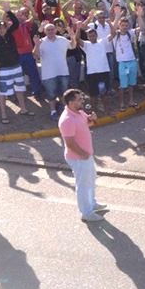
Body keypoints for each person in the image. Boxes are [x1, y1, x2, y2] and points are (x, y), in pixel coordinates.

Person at [58, 88, 108, 223]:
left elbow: (88, 124)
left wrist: (93, 119)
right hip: (78, 158)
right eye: (79, 99)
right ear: (70, 102)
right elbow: (69, 143)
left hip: (86, 155)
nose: (82, 101)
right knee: (83, 185)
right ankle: (86, 212)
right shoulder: (66, 120)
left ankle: (92, 204)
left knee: (91, 180)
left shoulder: (79, 112)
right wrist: (83, 154)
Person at [0, 1, 32, 122]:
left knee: (20, 89)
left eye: (4, 27)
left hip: (16, 66)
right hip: (4, 69)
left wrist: (8, 11)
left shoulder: (10, 35)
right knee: (3, 93)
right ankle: (4, 115)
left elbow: (16, 23)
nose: (2, 30)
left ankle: (23, 109)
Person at [35, 22, 72, 119]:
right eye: (48, 30)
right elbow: (36, 56)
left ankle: (64, 109)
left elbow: (73, 46)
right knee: (51, 94)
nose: (51, 31)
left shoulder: (62, 40)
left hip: (63, 71)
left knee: (63, 92)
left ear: (55, 30)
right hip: (49, 74)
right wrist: (36, 45)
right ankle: (53, 111)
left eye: (52, 29)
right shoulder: (41, 42)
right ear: (44, 31)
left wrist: (72, 36)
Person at [111, 13, 140, 111]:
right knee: (122, 85)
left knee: (131, 84)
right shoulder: (115, 35)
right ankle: (122, 103)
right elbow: (112, 29)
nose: (124, 27)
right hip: (122, 63)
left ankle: (131, 101)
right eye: (122, 25)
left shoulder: (130, 33)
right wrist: (117, 16)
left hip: (132, 61)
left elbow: (142, 28)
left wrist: (139, 15)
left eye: (126, 25)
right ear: (119, 25)